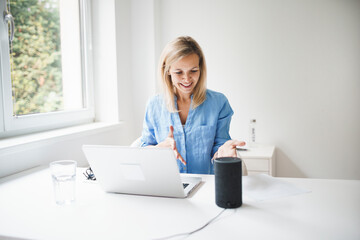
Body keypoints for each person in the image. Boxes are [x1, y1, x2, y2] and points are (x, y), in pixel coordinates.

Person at [141, 36, 245, 174]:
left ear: (200, 69)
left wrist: (223, 152)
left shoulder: (219, 103)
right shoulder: (154, 105)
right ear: (167, 71)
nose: (187, 78)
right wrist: (159, 149)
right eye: (179, 72)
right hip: (167, 184)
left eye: (193, 71)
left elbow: (219, 147)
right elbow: (144, 148)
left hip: (206, 185)